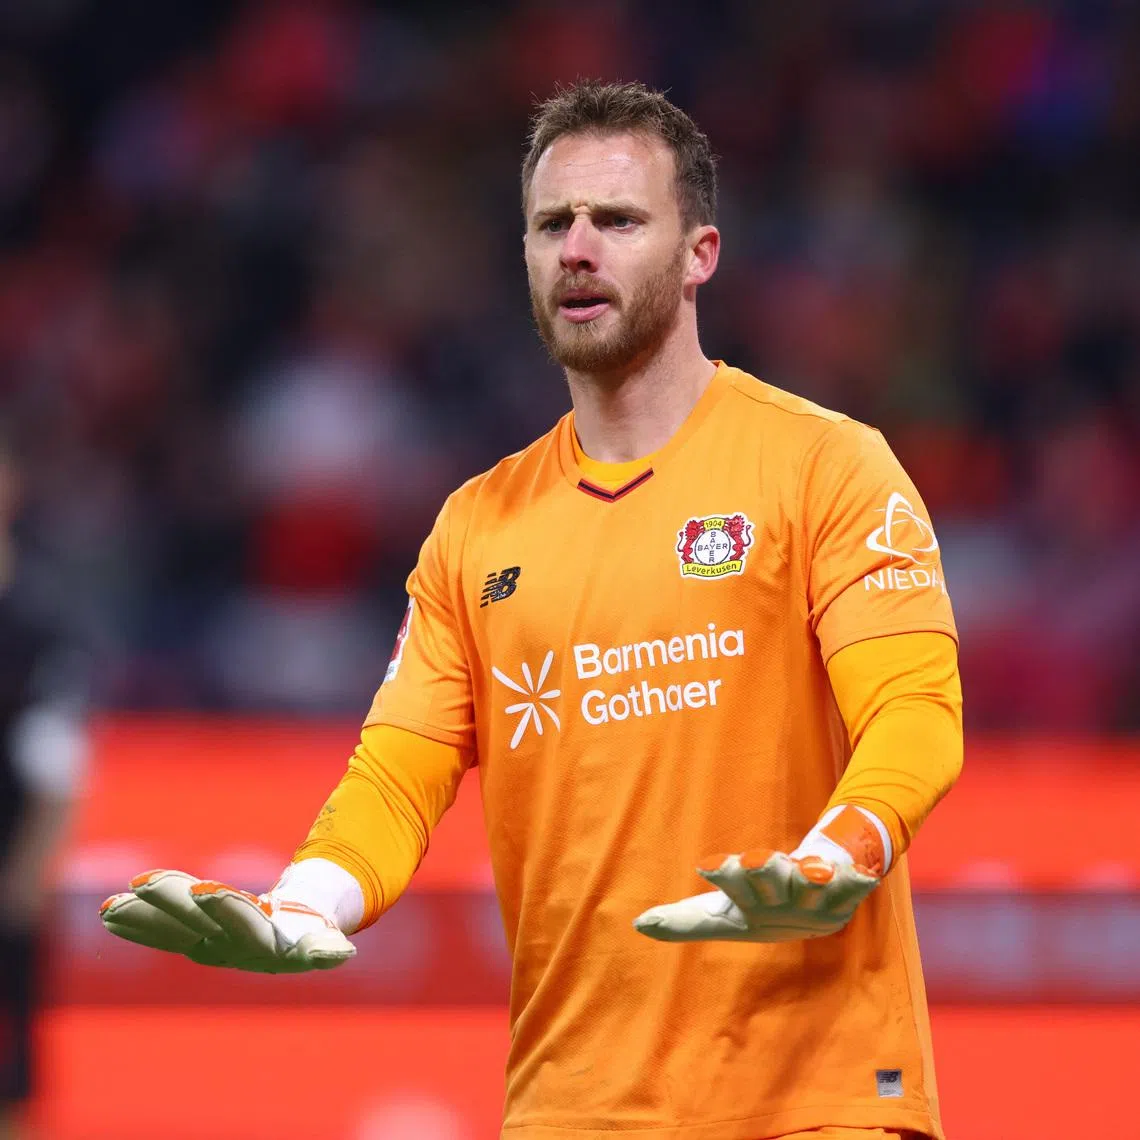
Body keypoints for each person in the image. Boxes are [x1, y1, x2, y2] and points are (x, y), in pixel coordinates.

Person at [101, 81, 963, 1140]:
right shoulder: (479, 527)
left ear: (701, 254)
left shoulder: (826, 467)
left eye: (619, 220)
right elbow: (399, 768)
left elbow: (916, 711)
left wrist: (843, 854)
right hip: (571, 1108)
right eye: (554, 224)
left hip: (816, 1100)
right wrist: (305, 902)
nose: (579, 248)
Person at [0, 439, 89, 1140]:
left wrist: (32, 861)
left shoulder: (38, 614)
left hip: (7, 843)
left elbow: (56, 750)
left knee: (12, 1029)